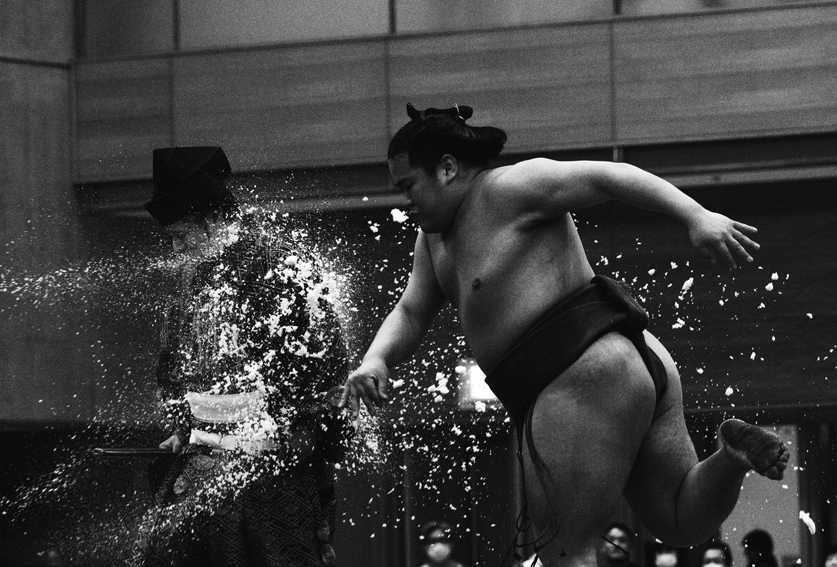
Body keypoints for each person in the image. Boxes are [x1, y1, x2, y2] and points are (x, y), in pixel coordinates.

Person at [338, 104, 790, 567]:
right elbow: (412, 311)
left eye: (408, 186)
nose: (403, 201)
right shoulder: (432, 239)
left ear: (448, 168)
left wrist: (695, 214)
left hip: (577, 369)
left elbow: (609, 176)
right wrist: (377, 359)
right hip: (629, 358)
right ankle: (732, 456)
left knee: (565, 551)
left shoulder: (511, 187)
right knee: (680, 520)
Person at [132, 146, 350, 566]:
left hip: (274, 462)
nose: (177, 250)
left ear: (213, 221)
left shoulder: (282, 262)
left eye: (182, 236)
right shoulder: (189, 279)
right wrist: (182, 425)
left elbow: (324, 366)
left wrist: (291, 431)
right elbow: (173, 364)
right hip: (201, 458)